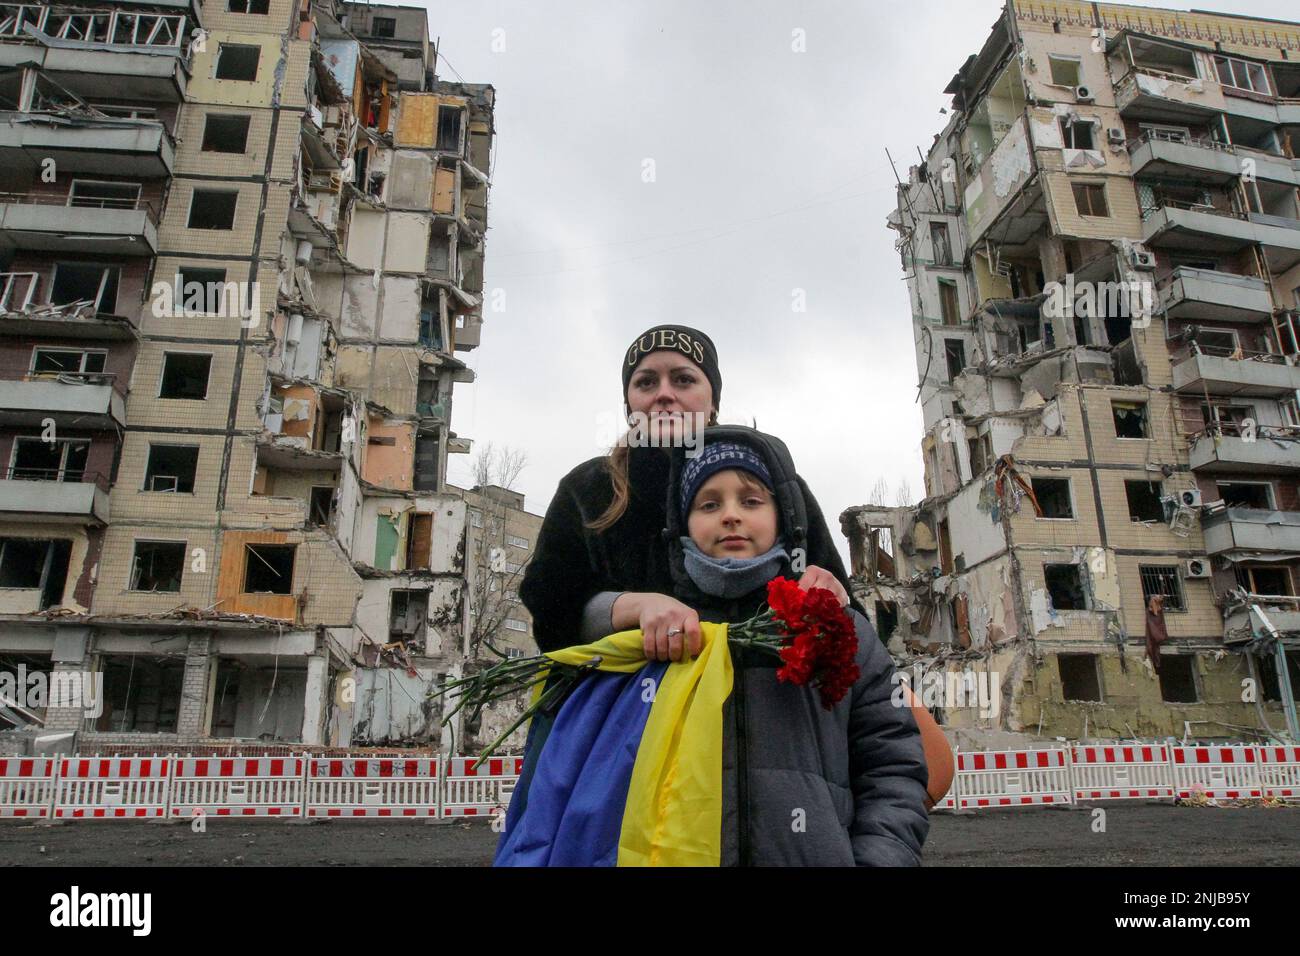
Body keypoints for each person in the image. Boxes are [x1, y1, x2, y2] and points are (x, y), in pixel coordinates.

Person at [517, 324, 953, 806]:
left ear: (713, 399)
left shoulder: (775, 485)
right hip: (621, 752)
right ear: (628, 403)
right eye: (646, 382)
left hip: (767, 743)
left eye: (683, 379)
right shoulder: (589, 488)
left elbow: (842, 624)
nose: (664, 394)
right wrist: (629, 608)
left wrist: (829, 590)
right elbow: (551, 613)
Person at [664, 430, 929, 864]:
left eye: (751, 501)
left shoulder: (841, 629)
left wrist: (879, 859)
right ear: (683, 522)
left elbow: (893, 768)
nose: (731, 516)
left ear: (782, 516)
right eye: (709, 504)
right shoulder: (662, 634)